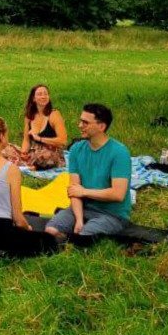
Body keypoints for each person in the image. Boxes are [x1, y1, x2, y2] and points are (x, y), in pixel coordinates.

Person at [0, 116, 59, 256]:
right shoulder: (10, 169)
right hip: (0, 234)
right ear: (2, 136)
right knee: (49, 241)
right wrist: (27, 228)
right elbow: (18, 218)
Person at [45, 103, 132, 241]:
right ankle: (66, 243)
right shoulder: (76, 150)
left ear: (101, 126)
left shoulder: (119, 152)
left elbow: (118, 194)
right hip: (82, 209)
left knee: (84, 236)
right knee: (50, 230)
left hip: (112, 214)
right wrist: (79, 219)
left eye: (85, 123)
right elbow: (74, 191)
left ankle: (72, 243)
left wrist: (84, 192)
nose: (80, 125)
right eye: (80, 121)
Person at [1, 83, 68, 171]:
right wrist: (24, 153)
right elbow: (26, 140)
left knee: (46, 155)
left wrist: (40, 139)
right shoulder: (29, 116)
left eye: (46, 94)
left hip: (51, 153)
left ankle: (29, 166)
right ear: (33, 98)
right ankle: (27, 164)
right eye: (40, 94)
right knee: (4, 148)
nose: (44, 96)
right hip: (33, 153)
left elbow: (62, 141)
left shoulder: (54, 115)